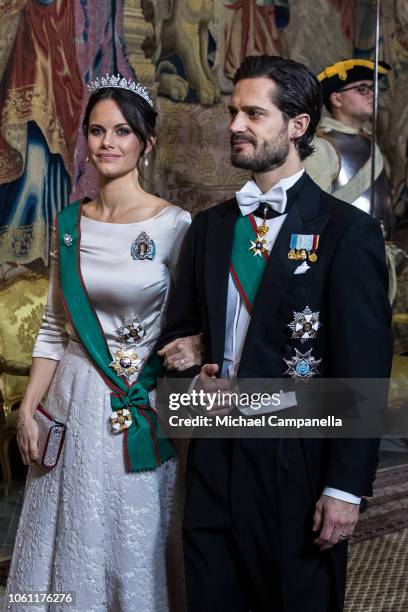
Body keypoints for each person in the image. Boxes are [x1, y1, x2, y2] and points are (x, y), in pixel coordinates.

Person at [158, 55, 392, 611]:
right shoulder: (210, 228)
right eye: (233, 111)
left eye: (254, 114)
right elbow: (179, 337)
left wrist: (343, 489)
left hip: (297, 460)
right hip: (215, 458)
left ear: (297, 125)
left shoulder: (346, 233)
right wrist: (193, 377)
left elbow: (363, 368)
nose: (235, 125)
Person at [5, 75, 202, 612]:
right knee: (71, 526)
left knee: (133, 527)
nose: (108, 143)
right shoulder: (68, 224)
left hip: (139, 400)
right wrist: (28, 410)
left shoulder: (174, 225)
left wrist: (197, 349)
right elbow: (53, 327)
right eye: (96, 131)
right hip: (72, 397)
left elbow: (194, 322)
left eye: (122, 131)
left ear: (147, 142)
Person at [304, 58, 393, 240]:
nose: (371, 95)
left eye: (372, 88)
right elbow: (312, 215)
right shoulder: (322, 145)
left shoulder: (370, 142)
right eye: (362, 89)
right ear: (337, 98)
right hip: (345, 251)